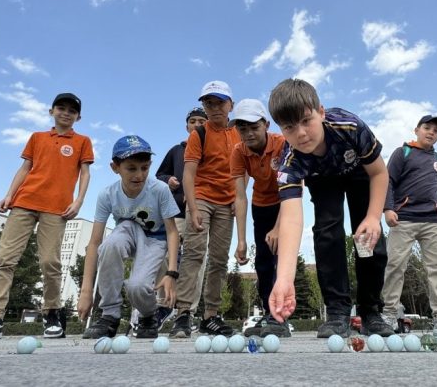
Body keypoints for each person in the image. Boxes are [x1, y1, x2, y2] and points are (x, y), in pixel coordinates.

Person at [0, 93, 93, 340]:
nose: (65, 113)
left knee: (50, 261)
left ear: (78, 117)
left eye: (71, 111)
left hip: (57, 208)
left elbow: (84, 173)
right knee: (4, 259)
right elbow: (25, 168)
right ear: (51, 111)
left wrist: (78, 200)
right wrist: (9, 195)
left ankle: (52, 313)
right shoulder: (37, 137)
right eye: (61, 108)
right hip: (24, 202)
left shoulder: (82, 141)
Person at [266, 78, 394, 338]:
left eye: (306, 121)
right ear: (281, 130)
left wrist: (372, 217)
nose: (300, 134)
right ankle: (337, 312)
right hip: (322, 179)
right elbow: (291, 220)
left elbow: (380, 173)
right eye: (289, 127)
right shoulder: (290, 161)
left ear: (321, 112)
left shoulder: (350, 126)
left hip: (360, 174)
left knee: (368, 240)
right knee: (327, 232)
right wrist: (284, 278)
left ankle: (371, 311)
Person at [78, 135, 180, 339]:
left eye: (144, 168)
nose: (139, 175)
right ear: (115, 167)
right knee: (110, 244)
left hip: (155, 239)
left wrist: (171, 273)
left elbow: (172, 231)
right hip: (128, 233)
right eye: (131, 168)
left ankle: (149, 315)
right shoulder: (107, 195)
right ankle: (109, 315)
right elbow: (94, 243)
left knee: (137, 287)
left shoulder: (160, 190)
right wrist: (86, 291)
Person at [380, 115, 437, 336]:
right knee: (395, 265)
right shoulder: (403, 153)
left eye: (436, 130)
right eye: (427, 128)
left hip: (433, 221)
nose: (431, 132)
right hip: (404, 218)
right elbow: (388, 181)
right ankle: (389, 314)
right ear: (416, 129)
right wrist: (388, 208)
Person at [169, 81, 241, 338]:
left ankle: (210, 315)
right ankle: (183, 313)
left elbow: (243, 171)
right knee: (194, 253)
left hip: (227, 201)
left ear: (231, 104)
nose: (214, 108)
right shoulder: (198, 134)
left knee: (220, 259)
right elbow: (188, 174)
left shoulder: (239, 133)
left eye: (219, 102)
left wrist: (238, 197)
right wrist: (192, 205)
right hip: (200, 197)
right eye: (208, 103)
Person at [229, 99, 289, 337]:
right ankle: (269, 313)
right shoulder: (238, 151)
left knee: (281, 258)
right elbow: (240, 197)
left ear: (266, 124)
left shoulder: (283, 144)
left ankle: (281, 316)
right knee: (263, 262)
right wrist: (241, 241)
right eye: (242, 128)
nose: (248, 133)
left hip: (287, 202)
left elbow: (292, 188)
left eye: (254, 127)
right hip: (260, 205)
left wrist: (278, 228)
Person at [155, 107, 209, 316]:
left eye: (201, 121)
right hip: (176, 212)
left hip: (201, 211)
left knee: (196, 259)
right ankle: (163, 304)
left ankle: (188, 310)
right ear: (187, 125)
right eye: (193, 121)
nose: (197, 124)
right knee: (166, 255)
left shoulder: (212, 149)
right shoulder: (176, 150)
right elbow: (160, 174)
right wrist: (168, 180)